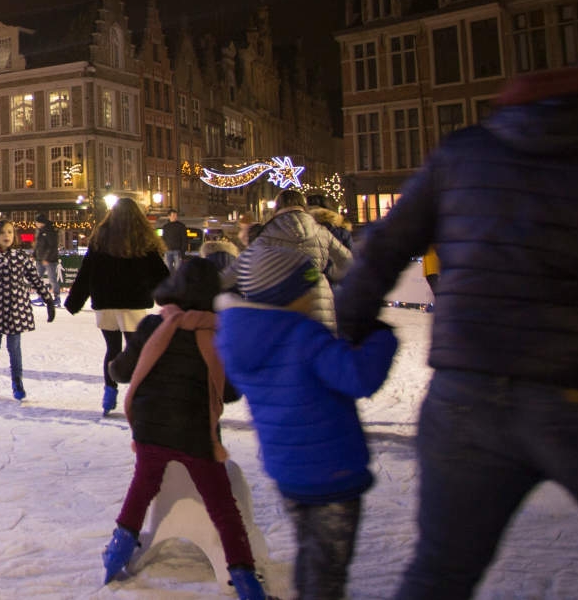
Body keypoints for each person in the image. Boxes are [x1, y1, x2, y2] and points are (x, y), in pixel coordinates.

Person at [333, 23, 578, 600]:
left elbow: (379, 250)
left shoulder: (466, 147)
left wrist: (357, 331)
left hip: (466, 392)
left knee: (439, 572)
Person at [221, 244, 397, 600]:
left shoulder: (238, 338)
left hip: (288, 471)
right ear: (288, 294)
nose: (312, 293)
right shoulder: (303, 335)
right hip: (331, 470)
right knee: (328, 568)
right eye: (307, 287)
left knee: (311, 552)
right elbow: (358, 377)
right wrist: (381, 336)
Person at [101, 258, 263, 599]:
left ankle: (116, 552)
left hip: (150, 430)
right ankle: (245, 577)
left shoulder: (151, 327)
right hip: (196, 435)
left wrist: (115, 366)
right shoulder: (219, 334)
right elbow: (229, 391)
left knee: (142, 487)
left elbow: (121, 371)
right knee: (223, 506)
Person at [65, 197, 169, 415]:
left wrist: (74, 301)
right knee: (136, 350)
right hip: (132, 304)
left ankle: (109, 394)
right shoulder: (143, 241)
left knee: (112, 349)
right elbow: (160, 276)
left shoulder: (100, 240)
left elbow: (86, 273)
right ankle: (138, 395)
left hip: (105, 304)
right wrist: (175, 297)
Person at [0, 220, 55, 401]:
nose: (6, 236)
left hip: (17, 310)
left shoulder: (20, 257)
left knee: (14, 349)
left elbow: (35, 279)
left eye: (9, 232)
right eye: (2, 233)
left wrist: (48, 300)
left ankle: (17, 383)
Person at [251, 190, 353, 330]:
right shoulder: (320, 231)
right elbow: (347, 260)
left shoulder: (267, 233)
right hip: (317, 294)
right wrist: (329, 273)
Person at [33, 215, 63, 299]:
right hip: (40, 259)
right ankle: (40, 296)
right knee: (38, 278)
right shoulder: (40, 231)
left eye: (36, 222)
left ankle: (57, 297)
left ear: (40, 222)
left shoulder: (50, 231)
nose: (35, 224)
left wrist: (46, 258)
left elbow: (52, 246)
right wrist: (34, 255)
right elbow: (38, 245)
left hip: (49, 260)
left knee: (52, 278)